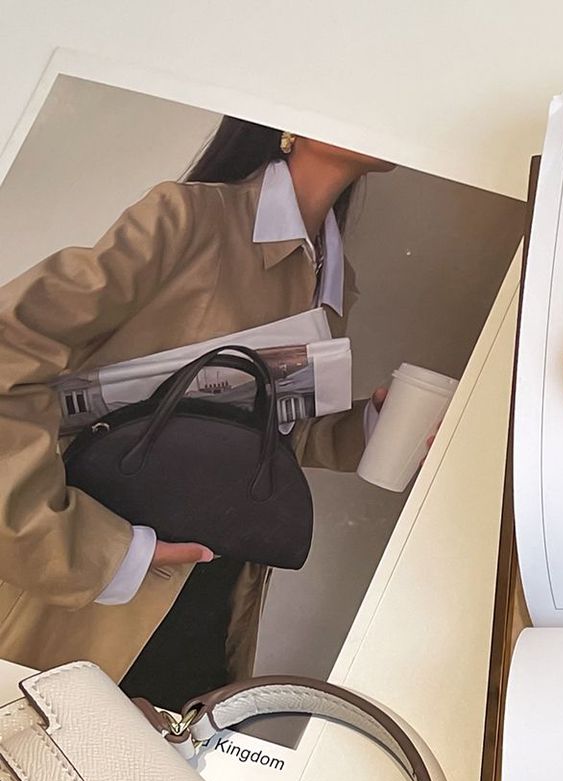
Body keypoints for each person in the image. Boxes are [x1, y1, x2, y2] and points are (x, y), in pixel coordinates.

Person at [0, 119, 394, 705]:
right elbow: (10, 350)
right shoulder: (187, 219)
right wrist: (73, 543)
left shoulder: (333, 277)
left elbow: (257, 431)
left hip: (216, 590)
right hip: (95, 592)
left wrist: (369, 427)